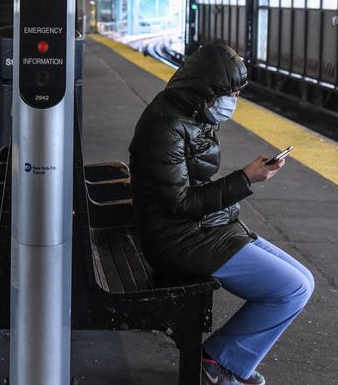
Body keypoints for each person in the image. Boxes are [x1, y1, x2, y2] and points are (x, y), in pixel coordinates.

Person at [128, 44, 313, 385]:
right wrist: (245, 179)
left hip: (203, 228)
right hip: (179, 239)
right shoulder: (166, 126)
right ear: (207, 91)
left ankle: (223, 359)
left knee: (304, 281)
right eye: (231, 93)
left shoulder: (189, 112)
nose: (234, 100)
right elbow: (179, 204)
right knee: (291, 290)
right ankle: (217, 364)